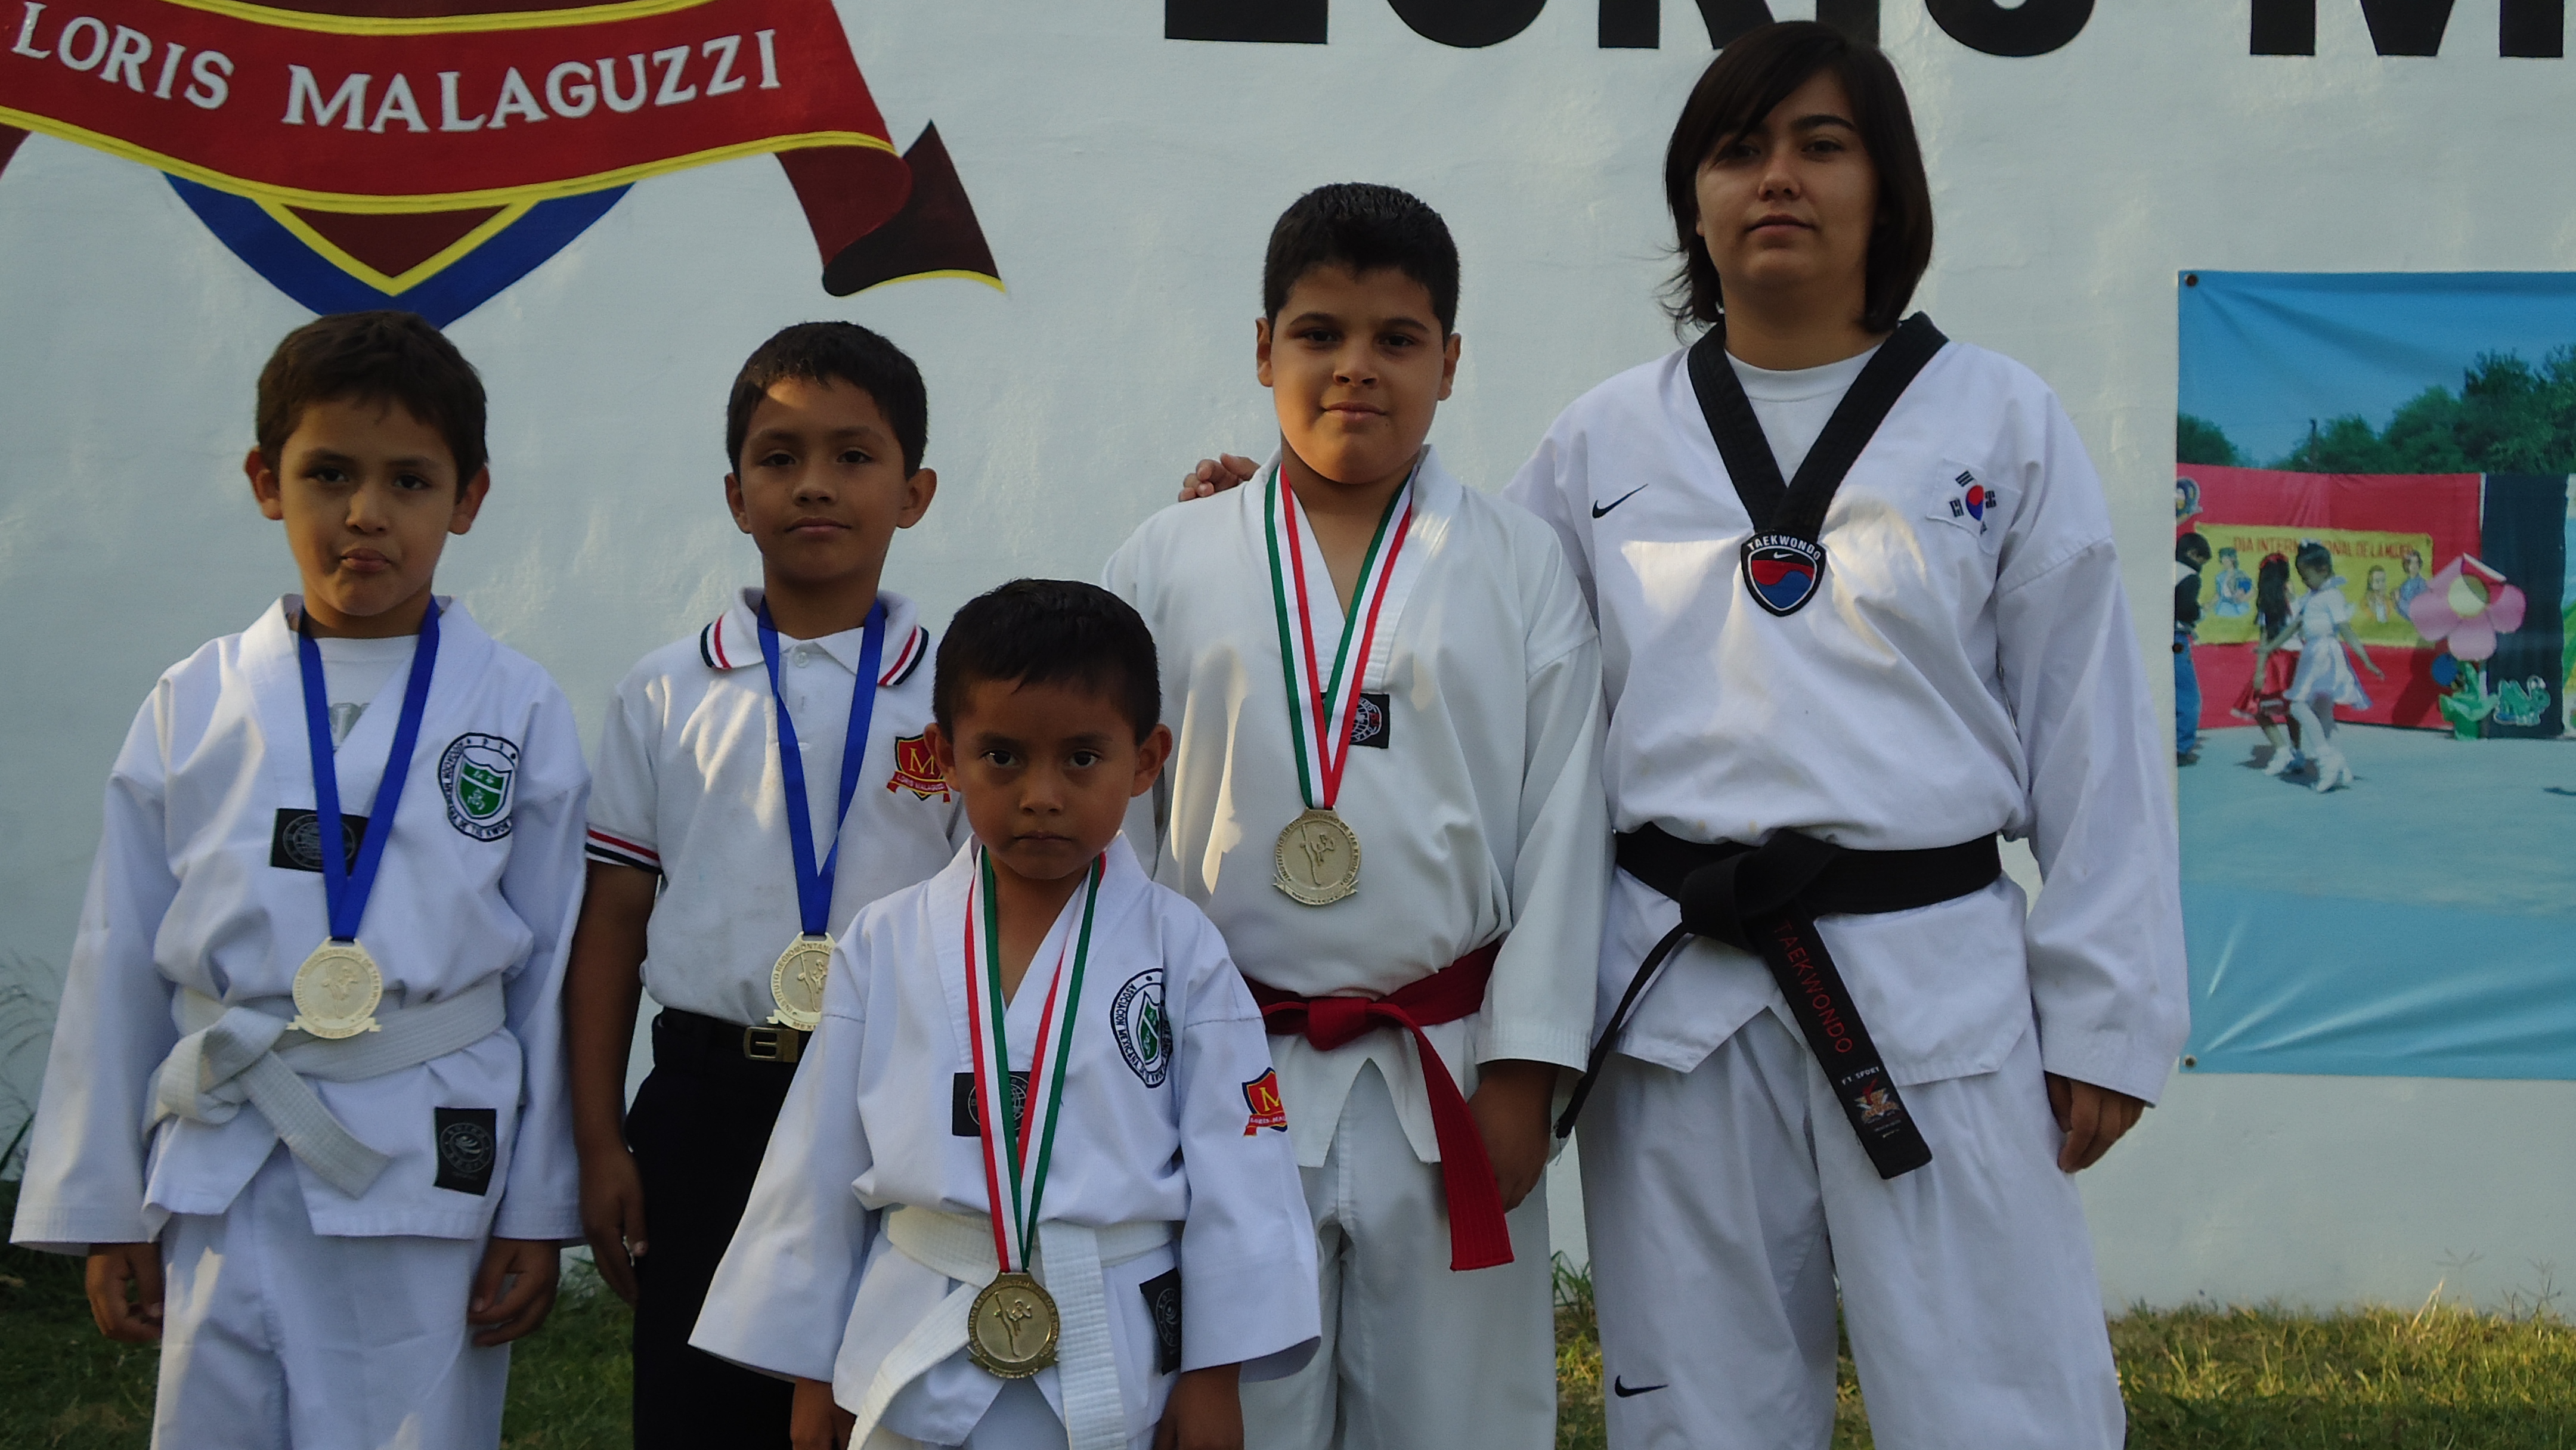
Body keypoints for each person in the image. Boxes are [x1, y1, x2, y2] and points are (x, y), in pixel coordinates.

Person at [1500, 24, 2182, 1448]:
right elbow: (1488, 656)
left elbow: (2093, 730)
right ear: (1693, 200)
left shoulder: (2000, 418)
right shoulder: (1603, 440)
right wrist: (1306, 520)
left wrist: (2108, 1013)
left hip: (1936, 989)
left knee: (2007, 1404)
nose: (1778, 178)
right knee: (1698, 1412)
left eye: (1822, 146)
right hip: (1680, 991)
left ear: (1890, 190)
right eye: (1738, 150)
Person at [8, 311, 587, 1446]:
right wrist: (103, 1202)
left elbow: (553, 968)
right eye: (329, 474)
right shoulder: (196, 700)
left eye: (409, 480)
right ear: (266, 481)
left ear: (467, 498)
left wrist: (538, 1201)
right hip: (228, 1146)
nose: (366, 512)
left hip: (430, 1142)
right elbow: (116, 950)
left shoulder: (516, 706)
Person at [1122, 182, 1608, 1450]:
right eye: (1319, 334)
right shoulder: (1168, 557)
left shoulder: (1519, 563)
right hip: (1224, 1068)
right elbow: (1117, 823)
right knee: (1239, 1406)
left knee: (1457, 1414)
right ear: (1262, 348)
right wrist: (1130, 1055)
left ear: (1450, 360)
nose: (1355, 368)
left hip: (1447, 1070)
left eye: (1397, 338)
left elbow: (1567, 824)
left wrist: (1525, 1070)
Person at [692, 580, 1320, 1450]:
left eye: (1083, 758)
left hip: (1114, 1342)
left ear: (1147, 761)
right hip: (912, 1339)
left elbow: (1241, 1171)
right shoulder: (885, 940)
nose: (1041, 795)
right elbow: (817, 1161)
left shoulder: (1183, 949)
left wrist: (1213, 1377)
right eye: (1003, 757)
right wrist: (812, 1371)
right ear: (945, 758)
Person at [566, 322, 971, 1446]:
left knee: (888, 1403)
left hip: (894, 1100)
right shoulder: (664, 693)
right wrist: (598, 1142)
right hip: (707, 1104)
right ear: (736, 495)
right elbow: (612, 927)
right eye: (779, 458)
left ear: (915, 492)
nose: (815, 485)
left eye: (854, 456)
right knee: (703, 1410)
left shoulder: (960, 697)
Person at [2284, 540, 2384, 793]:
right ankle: (2337, 763)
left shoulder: (2332, 596)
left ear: (2324, 570)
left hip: (2323, 654)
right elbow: (2296, 625)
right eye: (2301, 577)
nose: (2304, 581)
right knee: (2323, 712)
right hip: (2313, 653)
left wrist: (2366, 661)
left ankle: (2326, 759)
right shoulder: (2313, 597)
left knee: (2297, 706)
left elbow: (2347, 631)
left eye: (2307, 576)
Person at [2234, 552, 2306, 775]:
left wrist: (2259, 672)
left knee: (2258, 706)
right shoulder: (2297, 601)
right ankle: (2296, 751)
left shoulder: (2271, 604)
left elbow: (2265, 639)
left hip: (2279, 661)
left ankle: (2283, 750)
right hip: (2298, 659)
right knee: (2291, 709)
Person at [2176, 532, 2212, 764]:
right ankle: (2181, 746)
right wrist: (2199, 613)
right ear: (2192, 554)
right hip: (2176, 639)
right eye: (2201, 560)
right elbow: (2185, 609)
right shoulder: (2189, 576)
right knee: (2187, 694)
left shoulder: (2165, 569)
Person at [2210, 545, 2252, 617]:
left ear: (2233, 559)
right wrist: (2210, 604)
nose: (2224, 561)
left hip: (2239, 607)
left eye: (2226, 559)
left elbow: (2251, 591)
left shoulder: (2241, 574)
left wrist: (2242, 600)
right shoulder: (2220, 577)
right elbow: (2219, 594)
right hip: (2224, 606)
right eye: (2222, 559)